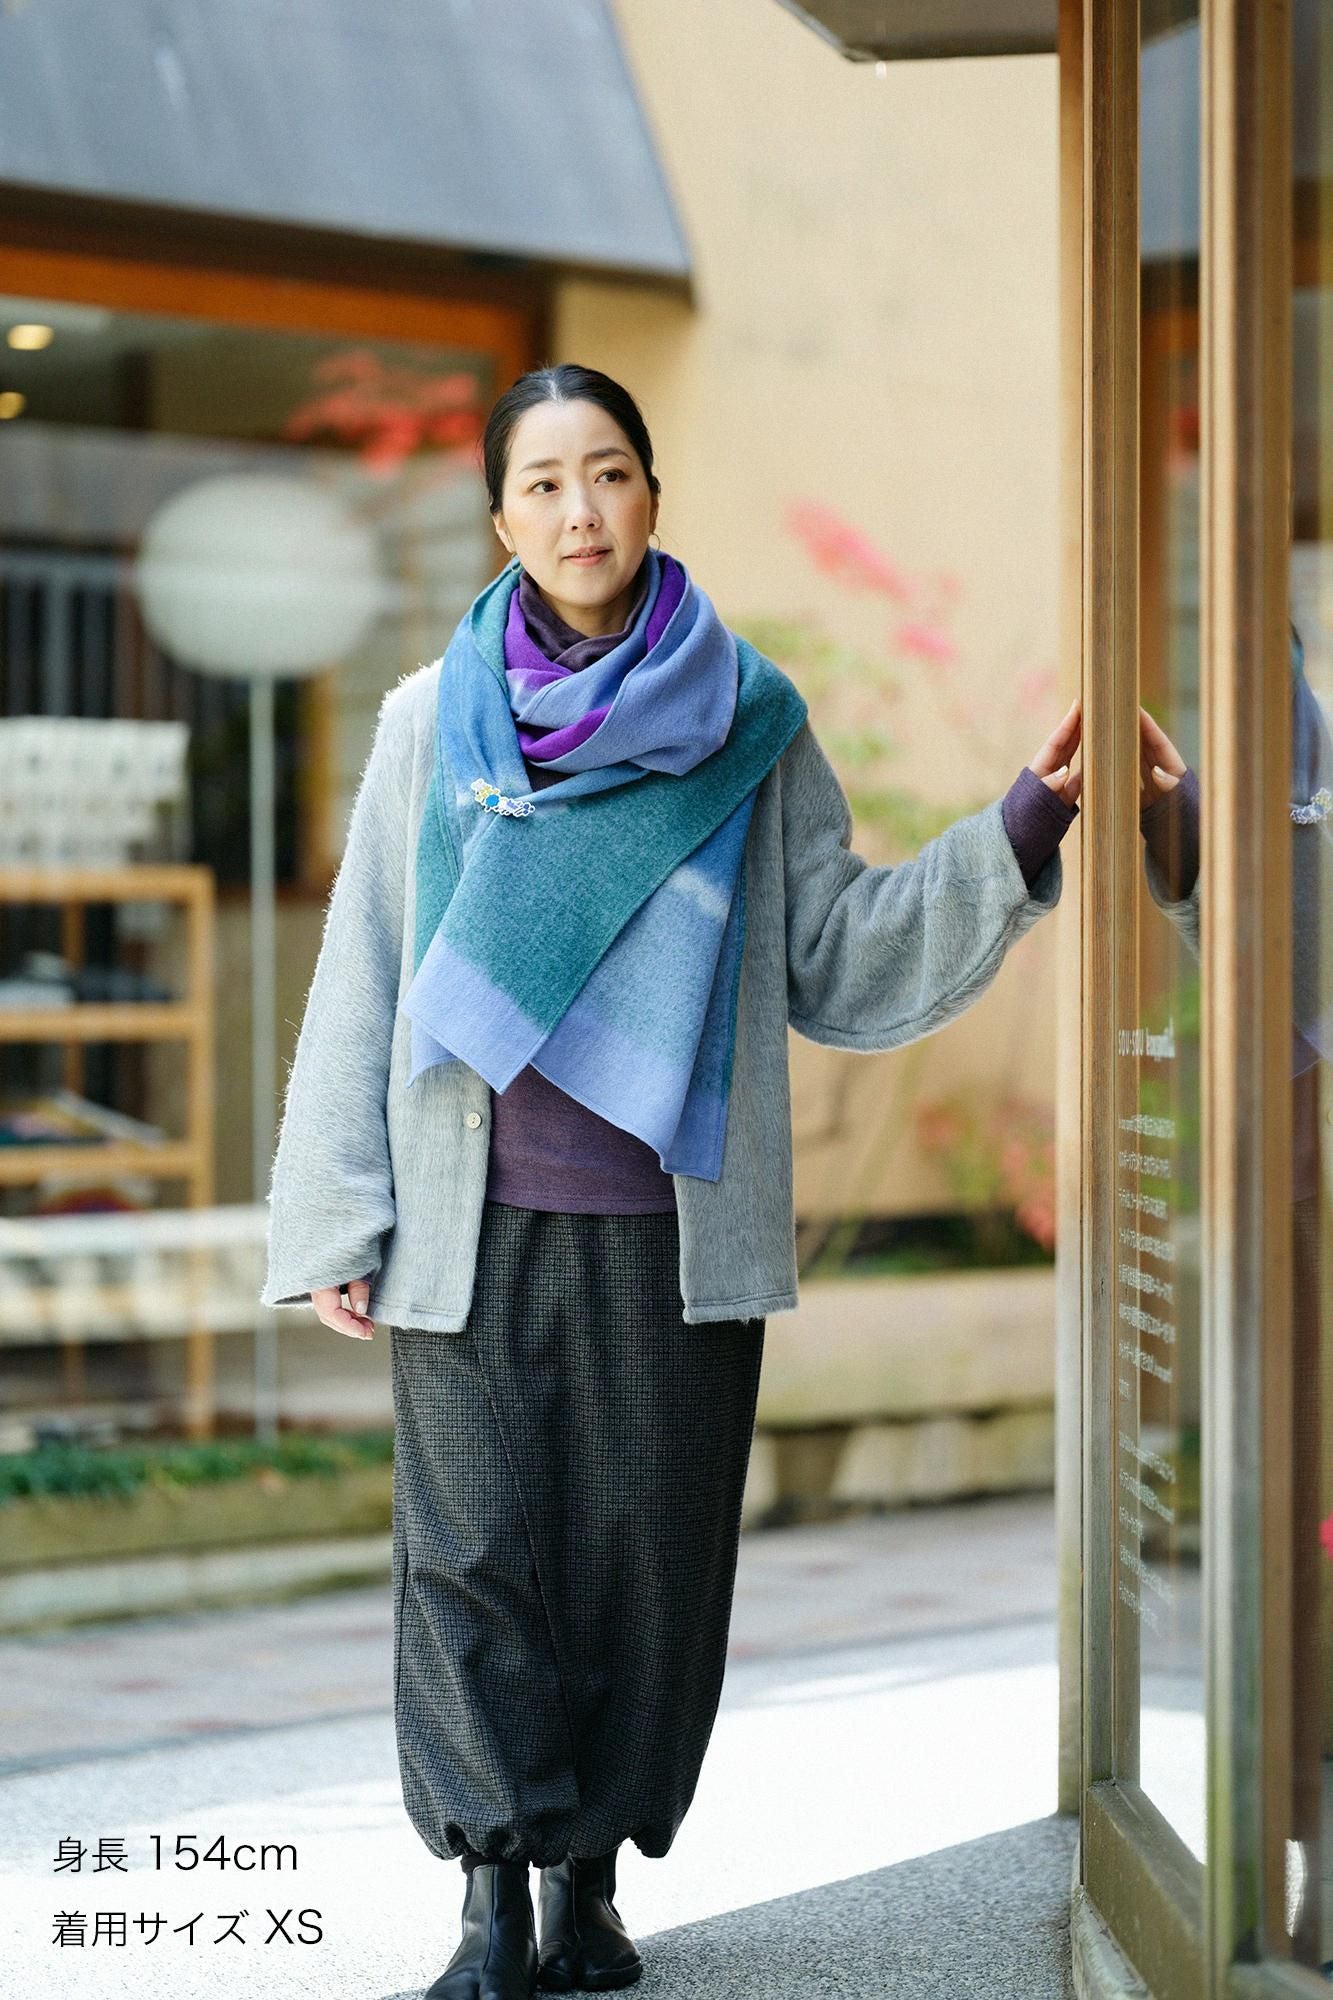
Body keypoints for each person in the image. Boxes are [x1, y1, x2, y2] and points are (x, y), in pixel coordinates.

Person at [259, 363, 1082, 1999]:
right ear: (500, 515)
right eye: (545, 482)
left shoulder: (749, 720)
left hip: (668, 1231)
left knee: (647, 1560)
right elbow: (366, 966)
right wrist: (336, 1212)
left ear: (650, 496)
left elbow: (834, 957)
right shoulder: (433, 718)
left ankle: (588, 1886)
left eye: (611, 473)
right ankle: (488, 1901)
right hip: (465, 1222)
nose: (581, 509)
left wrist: (1016, 829)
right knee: (474, 1554)